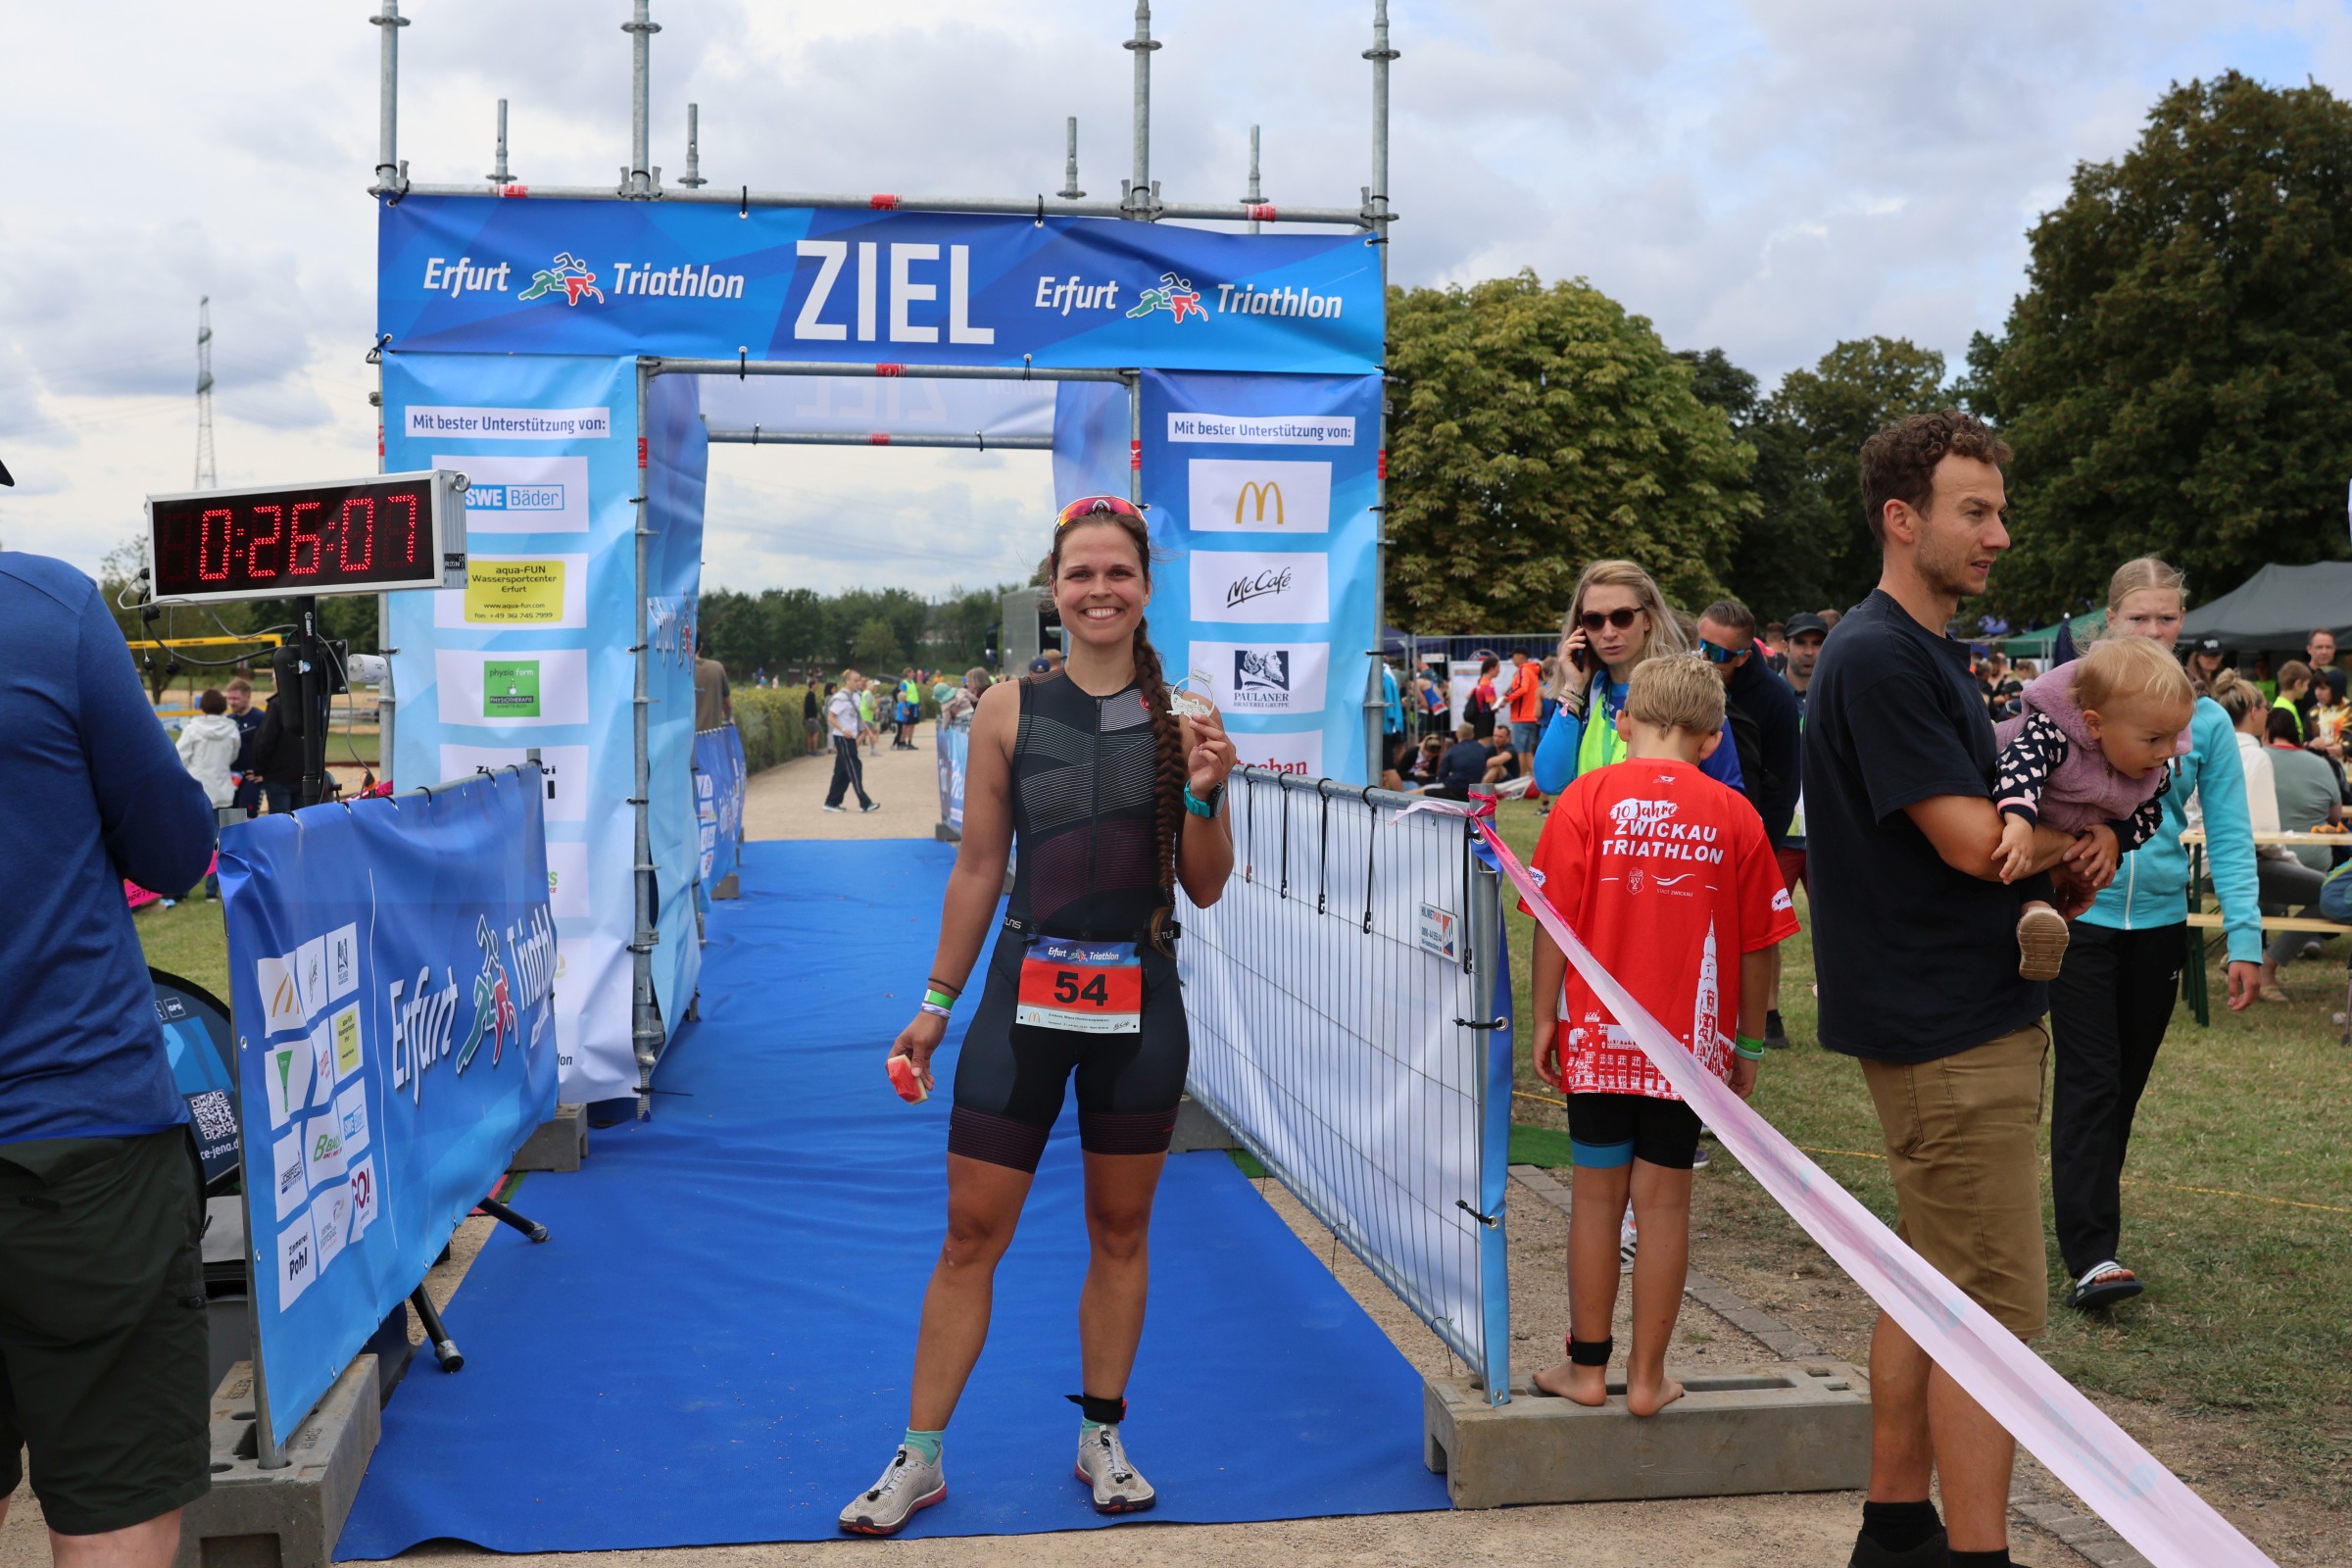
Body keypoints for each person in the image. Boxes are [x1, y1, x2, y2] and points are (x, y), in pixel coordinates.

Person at [842, 494, 1236, 1535]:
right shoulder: (1009, 709)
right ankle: (919, 1455)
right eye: (1080, 574)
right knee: (970, 1233)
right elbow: (979, 867)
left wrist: (1205, 794)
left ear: (1145, 587)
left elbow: (1205, 885)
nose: (1099, 590)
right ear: (1054, 590)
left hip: (1140, 1003)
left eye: (1118, 573)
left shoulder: (1188, 716)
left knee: (1121, 1228)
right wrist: (935, 1004)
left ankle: (1102, 1433)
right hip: (1024, 1001)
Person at [1806, 411, 2109, 1568]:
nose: (1999, 535)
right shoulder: (1881, 654)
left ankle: (1896, 1528)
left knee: (1932, 1282)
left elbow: (1997, 840)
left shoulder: (1923, 650)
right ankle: (1978, 1555)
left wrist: (2064, 852)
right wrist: (2075, 838)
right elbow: (1975, 842)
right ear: (1902, 518)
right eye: (1974, 512)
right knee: (1991, 1313)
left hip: (1951, 1015)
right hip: (1945, 1028)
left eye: (1998, 511)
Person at [0, 549, 218, 1568]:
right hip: (81, 1140)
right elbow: (173, 850)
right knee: (115, 1496)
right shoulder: (46, 608)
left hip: (73, 1138)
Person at [1521, 654, 1797, 1413]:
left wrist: (1545, 1017)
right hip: (1689, 1048)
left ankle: (1587, 1370)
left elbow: (1551, 924)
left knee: (1595, 1199)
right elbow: (1758, 944)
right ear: (1711, 740)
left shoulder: (1584, 798)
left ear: (1623, 721)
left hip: (1597, 1035)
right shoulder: (1735, 815)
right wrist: (1747, 1043)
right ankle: (1647, 1378)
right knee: (1665, 1205)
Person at [2045, 559, 2263, 1320]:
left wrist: (2245, 937)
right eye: (2140, 617)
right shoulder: (2074, 702)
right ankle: (2092, 1253)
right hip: (2081, 916)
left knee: (2125, 1085)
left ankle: (2090, 1226)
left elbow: (2229, 833)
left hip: (2162, 924)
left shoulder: (2206, 722)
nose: (2155, 630)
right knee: (2092, 1079)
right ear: (2110, 622)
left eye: (2167, 618)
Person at [1989, 639, 2196, 981]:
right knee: (2022, 857)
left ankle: (2040, 919)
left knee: (2055, 869)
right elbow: (2019, 768)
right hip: (2008, 817)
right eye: (2153, 739)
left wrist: (2116, 837)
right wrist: (2019, 823)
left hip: (2058, 851)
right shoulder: (2052, 732)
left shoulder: (2151, 769)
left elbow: (2150, 814)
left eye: (2175, 737)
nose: (2165, 752)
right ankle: (2037, 913)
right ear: (2096, 724)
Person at [1533, 560, 1745, 803]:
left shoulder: (1690, 689)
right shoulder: (1586, 692)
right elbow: (1550, 780)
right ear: (1580, 628)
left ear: (1648, 618)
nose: (1608, 633)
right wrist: (1572, 687)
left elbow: (1729, 797)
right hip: (1596, 828)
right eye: (1594, 620)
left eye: (1621, 617)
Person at [1696, 599, 1802, 1052]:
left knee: (1757, 925)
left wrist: (1765, 844)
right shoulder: (1689, 680)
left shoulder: (1774, 698)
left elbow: (1785, 780)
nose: (1704, 657)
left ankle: (1767, 1015)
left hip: (1752, 827)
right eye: (1699, 644)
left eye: (1717, 653)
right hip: (1694, 825)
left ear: (1742, 656)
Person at [2208, 673, 2327, 1002]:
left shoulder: (2210, 748)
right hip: (2235, 863)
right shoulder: (2256, 756)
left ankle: (2245, 950)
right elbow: (2265, 838)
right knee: (2333, 891)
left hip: (2200, 863)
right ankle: (2267, 963)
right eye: (2266, 707)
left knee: (2271, 889)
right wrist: (2294, 861)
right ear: (2254, 712)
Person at [823, 672, 881, 814]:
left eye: (859, 680)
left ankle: (831, 802)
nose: (858, 683)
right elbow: (830, 717)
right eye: (855, 680)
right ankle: (865, 802)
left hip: (851, 737)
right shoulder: (840, 698)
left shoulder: (856, 696)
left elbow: (859, 717)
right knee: (854, 767)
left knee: (841, 772)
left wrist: (869, 732)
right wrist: (843, 730)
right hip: (842, 737)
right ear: (847, 681)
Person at [174, 688, 242, 809]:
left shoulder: (192, 729)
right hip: (223, 791)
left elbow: (179, 757)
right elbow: (233, 757)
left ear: (202, 707)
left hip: (198, 791)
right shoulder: (232, 729)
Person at [248, 692, 307, 813]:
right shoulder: (309, 700)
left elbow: (266, 740)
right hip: (304, 773)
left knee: (281, 819)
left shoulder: (277, 703)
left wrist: (259, 769)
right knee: (302, 817)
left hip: (279, 776)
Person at [222, 675, 265, 814]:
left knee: (247, 819)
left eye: (235, 699)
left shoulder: (260, 718)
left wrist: (265, 773)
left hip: (250, 778)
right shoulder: (228, 720)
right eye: (229, 698)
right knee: (229, 819)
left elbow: (274, 747)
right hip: (230, 778)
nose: (231, 702)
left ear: (248, 697)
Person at [1503, 648, 1544, 764]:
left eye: (1513, 656)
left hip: (1521, 717)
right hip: (1531, 717)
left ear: (1521, 656)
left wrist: (1507, 698)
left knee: (1520, 751)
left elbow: (1522, 688)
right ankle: (1531, 775)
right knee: (1528, 751)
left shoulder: (1523, 670)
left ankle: (1521, 775)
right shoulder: (1533, 671)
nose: (1512, 660)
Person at [1432, 724, 1492, 801]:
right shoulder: (1483, 749)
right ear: (1473, 735)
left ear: (1457, 734)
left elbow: (1442, 774)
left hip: (1455, 790)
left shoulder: (1452, 750)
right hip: (1477, 790)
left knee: (1421, 792)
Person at [2269, 660, 2312, 744]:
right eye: (2307, 685)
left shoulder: (2284, 706)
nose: (2307, 689)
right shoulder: (2284, 710)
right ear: (2298, 684)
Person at [694, 639, 732, 731]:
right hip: (713, 735)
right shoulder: (717, 668)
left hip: (686, 738)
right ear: (701, 645)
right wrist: (729, 719)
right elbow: (727, 705)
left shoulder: (676, 672)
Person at [1977, 649, 2023, 721]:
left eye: (1995, 667)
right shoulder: (1985, 679)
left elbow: (2010, 696)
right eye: (1992, 668)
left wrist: (1991, 700)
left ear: (1999, 665)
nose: (1993, 670)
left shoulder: (2006, 679)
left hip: (2001, 715)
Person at [1464, 656, 1500, 740]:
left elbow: (1468, 696)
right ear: (1491, 669)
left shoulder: (1480, 682)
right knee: (1486, 743)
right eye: (1498, 668)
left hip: (1477, 719)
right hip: (1486, 720)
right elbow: (1492, 707)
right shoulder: (1488, 685)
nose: (1499, 671)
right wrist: (1501, 703)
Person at [2181, 633, 2228, 697]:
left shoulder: (2225, 681)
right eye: (2208, 655)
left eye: (2216, 655)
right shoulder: (2187, 680)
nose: (2213, 659)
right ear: (2197, 657)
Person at [1416, 663, 1448, 740]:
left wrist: (1413, 707)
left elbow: (1424, 704)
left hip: (1436, 712)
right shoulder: (1429, 682)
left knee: (1429, 737)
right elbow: (1445, 685)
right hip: (1444, 709)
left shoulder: (1416, 684)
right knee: (1443, 737)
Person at [895, 668, 922, 751]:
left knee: (912, 725)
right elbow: (902, 695)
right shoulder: (904, 683)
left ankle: (910, 742)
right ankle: (902, 741)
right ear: (907, 673)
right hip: (909, 705)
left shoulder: (912, 682)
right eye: (912, 672)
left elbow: (915, 694)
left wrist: (918, 704)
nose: (914, 674)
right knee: (906, 725)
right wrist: (905, 707)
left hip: (915, 705)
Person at [804, 684, 824, 756]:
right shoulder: (810, 695)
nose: (817, 686)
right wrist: (809, 717)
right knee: (815, 733)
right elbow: (807, 707)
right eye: (816, 684)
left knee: (810, 734)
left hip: (811, 717)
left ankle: (809, 751)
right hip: (811, 718)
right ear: (812, 685)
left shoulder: (812, 694)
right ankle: (814, 750)